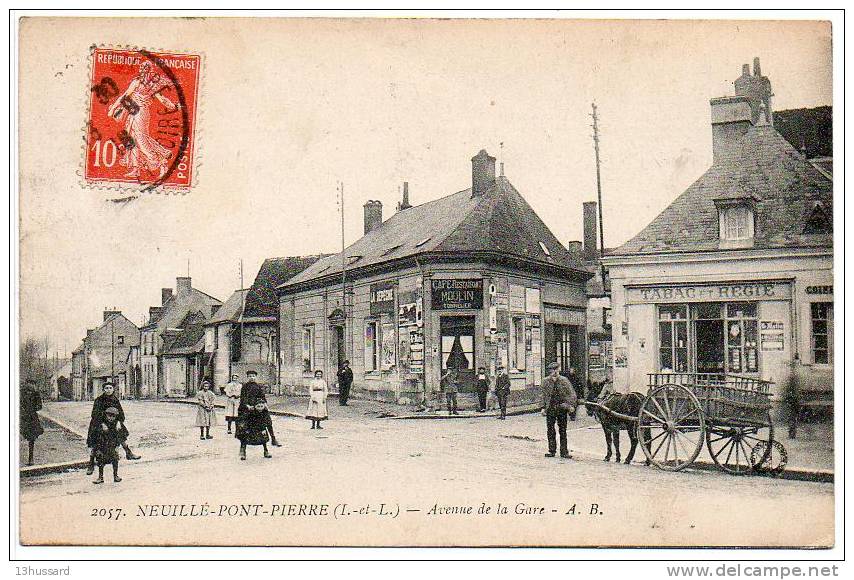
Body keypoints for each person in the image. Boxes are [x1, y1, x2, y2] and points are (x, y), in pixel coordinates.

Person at [106, 61, 180, 181]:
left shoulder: (148, 85)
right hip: (133, 113)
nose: (147, 74)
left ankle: (160, 161)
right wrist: (174, 106)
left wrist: (113, 109)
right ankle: (135, 168)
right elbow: (125, 96)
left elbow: (124, 97)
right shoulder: (143, 84)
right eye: (146, 71)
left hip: (140, 113)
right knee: (131, 138)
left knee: (141, 139)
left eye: (148, 71)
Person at [86, 381, 140, 475]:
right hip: (98, 423)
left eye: (110, 388)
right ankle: (91, 463)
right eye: (106, 388)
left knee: (120, 434)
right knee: (96, 442)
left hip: (113, 423)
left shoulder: (115, 400)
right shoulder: (99, 400)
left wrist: (119, 422)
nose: (108, 390)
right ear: (103, 390)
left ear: (113, 389)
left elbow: (121, 413)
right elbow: (94, 414)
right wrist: (102, 423)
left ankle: (128, 453)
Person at [542, 362, 577, 459]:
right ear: (550, 371)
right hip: (550, 408)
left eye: (556, 370)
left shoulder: (564, 380)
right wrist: (542, 408)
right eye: (552, 370)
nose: (554, 372)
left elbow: (572, 394)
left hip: (561, 408)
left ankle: (564, 451)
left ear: (558, 370)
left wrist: (571, 405)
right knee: (550, 430)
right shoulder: (545, 381)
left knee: (562, 430)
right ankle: (551, 450)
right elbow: (543, 395)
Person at [238, 370, 281, 447]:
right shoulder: (244, 387)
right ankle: (243, 447)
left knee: (268, 421)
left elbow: (262, 397)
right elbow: (242, 398)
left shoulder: (258, 386)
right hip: (248, 408)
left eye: (253, 376)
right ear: (247, 377)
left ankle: (273, 438)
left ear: (256, 377)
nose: (252, 378)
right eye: (250, 376)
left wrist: (264, 404)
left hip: (258, 407)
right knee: (244, 425)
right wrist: (247, 405)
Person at [91, 407, 124, 484]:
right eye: (109, 416)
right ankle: (100, 477)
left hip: (112, 446)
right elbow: (97, 437)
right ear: (106, 415)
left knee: (115, 460)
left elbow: (118, 437)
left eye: (113, 416)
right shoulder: (102, 424)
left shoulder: (117, 425)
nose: (111, 418)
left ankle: (115, 476)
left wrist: (117, 446)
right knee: (101, 461)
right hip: (103, 446)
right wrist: (98, 448)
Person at [20, 378, 44, 466]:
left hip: (21, 416)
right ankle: (31, 459)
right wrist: (32, 408)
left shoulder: (20, 390)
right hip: (31, 417)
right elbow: (39, 407)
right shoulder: (36, 392)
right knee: (31, 439)